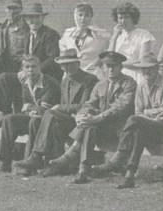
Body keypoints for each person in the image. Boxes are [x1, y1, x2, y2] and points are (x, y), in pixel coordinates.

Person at [42, 50, 136, 183]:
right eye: (106, 66)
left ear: (120, 67)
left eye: (113, 66)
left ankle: (71, 154)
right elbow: (89, 104)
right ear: (102, 67)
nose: (110, 69)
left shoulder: (129, 83)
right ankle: (83, 170)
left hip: (120, 128)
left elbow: (120, 107)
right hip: (101, 126)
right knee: (88, 127)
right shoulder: (100, 85)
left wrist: (97, 118)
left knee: (90, 124)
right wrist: (82, 116)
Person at [14, 48, 98, 174]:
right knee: (36, 121)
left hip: (80, 121)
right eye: (63, 65)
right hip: (65, 119)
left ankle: (36, 156)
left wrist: (59, 108)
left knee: (50, 114)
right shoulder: (65, 80)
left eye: (69, 64)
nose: (66, 68)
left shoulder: (89, 80)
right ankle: (37, 165)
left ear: (78, 64)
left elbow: (84, 105)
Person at [107, 55, 163, 189]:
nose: (146, 72)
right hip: (147, 127)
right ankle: (129, 176)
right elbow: (138, 111)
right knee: (138, 132)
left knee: (134, 120)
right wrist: (148, 114)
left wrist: (146, 113)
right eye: (143, 70)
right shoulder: (141, 85)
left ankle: (120, 154)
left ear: (157, 69)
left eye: (149, 69)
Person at [0, 54, 60, 173]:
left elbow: (44, 110)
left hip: (48, 121)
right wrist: (31, 108)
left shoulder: (49, 83)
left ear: (40, 67)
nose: (31, 70)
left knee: (34, 121)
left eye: (34, 67)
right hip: (32, 117)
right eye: (27, 67)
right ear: (23, 69)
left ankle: (31, 164)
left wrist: (31, 108)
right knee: (9, 119)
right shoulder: (25, 84)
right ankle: (5, 162)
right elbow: (26, 107)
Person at [106, 1, 158, 83]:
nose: (123, 21)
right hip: (117, 75)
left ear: (133, 18)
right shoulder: (117, 36)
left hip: (136, 75)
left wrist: (118, 64)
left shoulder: (144, 35)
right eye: (120, 18)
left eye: (126, 17)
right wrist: (114, 37)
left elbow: (142, 62)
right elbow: (109, 58)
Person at [58, 2, 110, 80]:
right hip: (72, 76)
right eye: (80, 15)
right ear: (75, 16)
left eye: (87, 15)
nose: (83, 19)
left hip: (93, 76)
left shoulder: (101, 35)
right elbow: (63, 57)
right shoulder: (67, 35)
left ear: (91, 17)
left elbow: (108, 53)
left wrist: (97, 64)